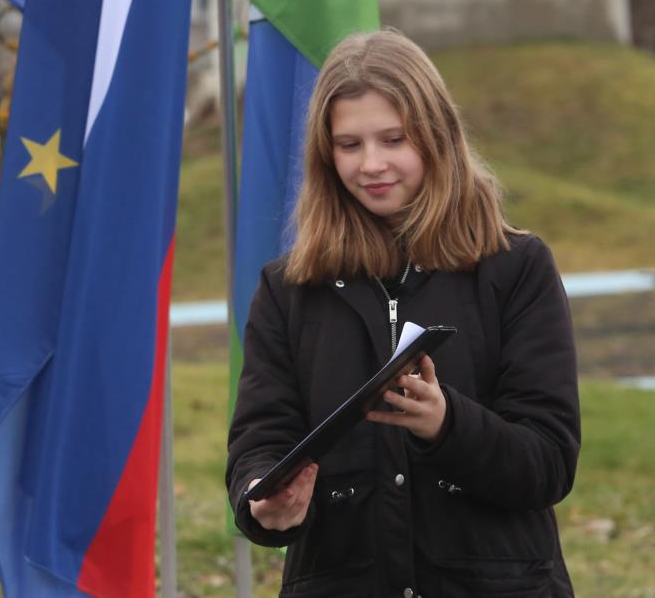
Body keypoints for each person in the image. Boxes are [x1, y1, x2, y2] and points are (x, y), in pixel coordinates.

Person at [227, 30, 580, 597]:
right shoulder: (286, 289)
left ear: (437, 136)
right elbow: (258, 444)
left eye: (393, 139)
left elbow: (549, 463)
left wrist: (446, 423)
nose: (372, 164)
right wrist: (262, 503)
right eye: (349, 145)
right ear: (325, 155)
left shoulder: (517, 267)